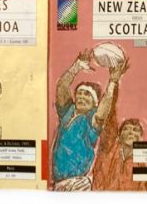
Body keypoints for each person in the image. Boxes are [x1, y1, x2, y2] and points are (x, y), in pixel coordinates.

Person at [51, 49, 125, 191]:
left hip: (78, 183)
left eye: (87, 94)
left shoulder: (92, 119)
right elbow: (61, 86)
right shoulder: (67, 111)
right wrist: (77, 66)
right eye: (79, 93)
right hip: (59, 184)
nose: (81, 96)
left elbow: (105, 104)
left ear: (95, 102)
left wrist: (113, 81)